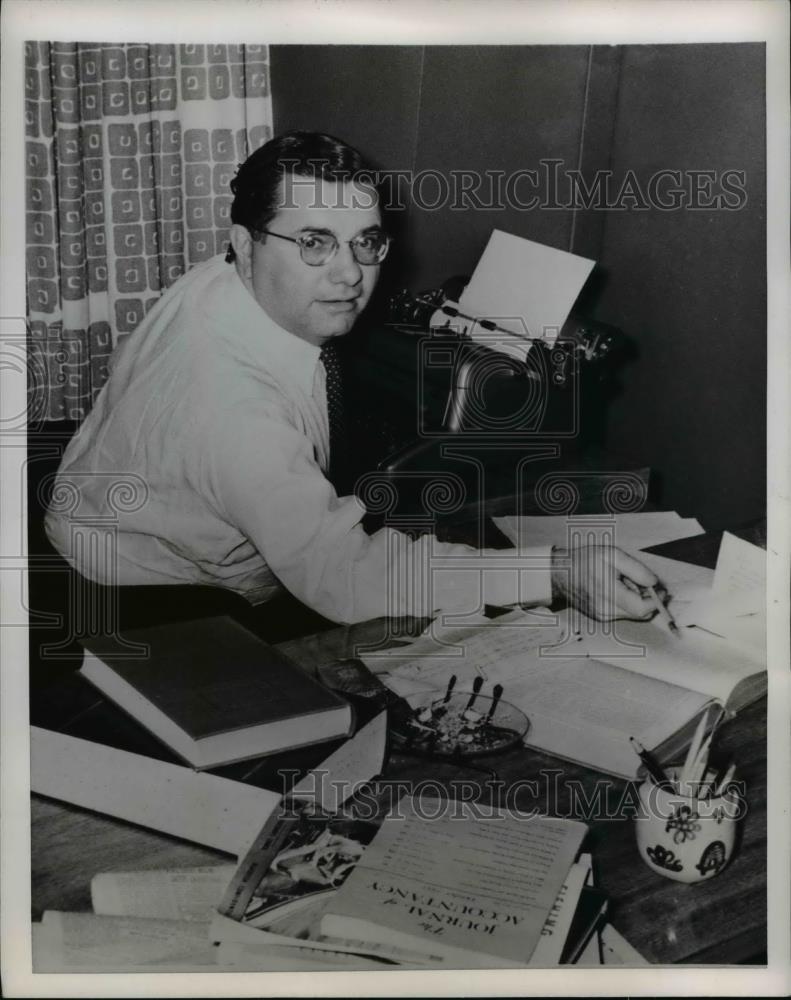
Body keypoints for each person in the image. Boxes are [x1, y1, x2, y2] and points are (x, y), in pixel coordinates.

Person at [45, 130, 659, 631]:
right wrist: (552, 571)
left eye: (365, 243)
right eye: (315, 243)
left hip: (96, 521)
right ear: (246, 243)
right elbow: (344, 579)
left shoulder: (220, 279)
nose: (350, 276)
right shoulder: (238, 414)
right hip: (157, 601)